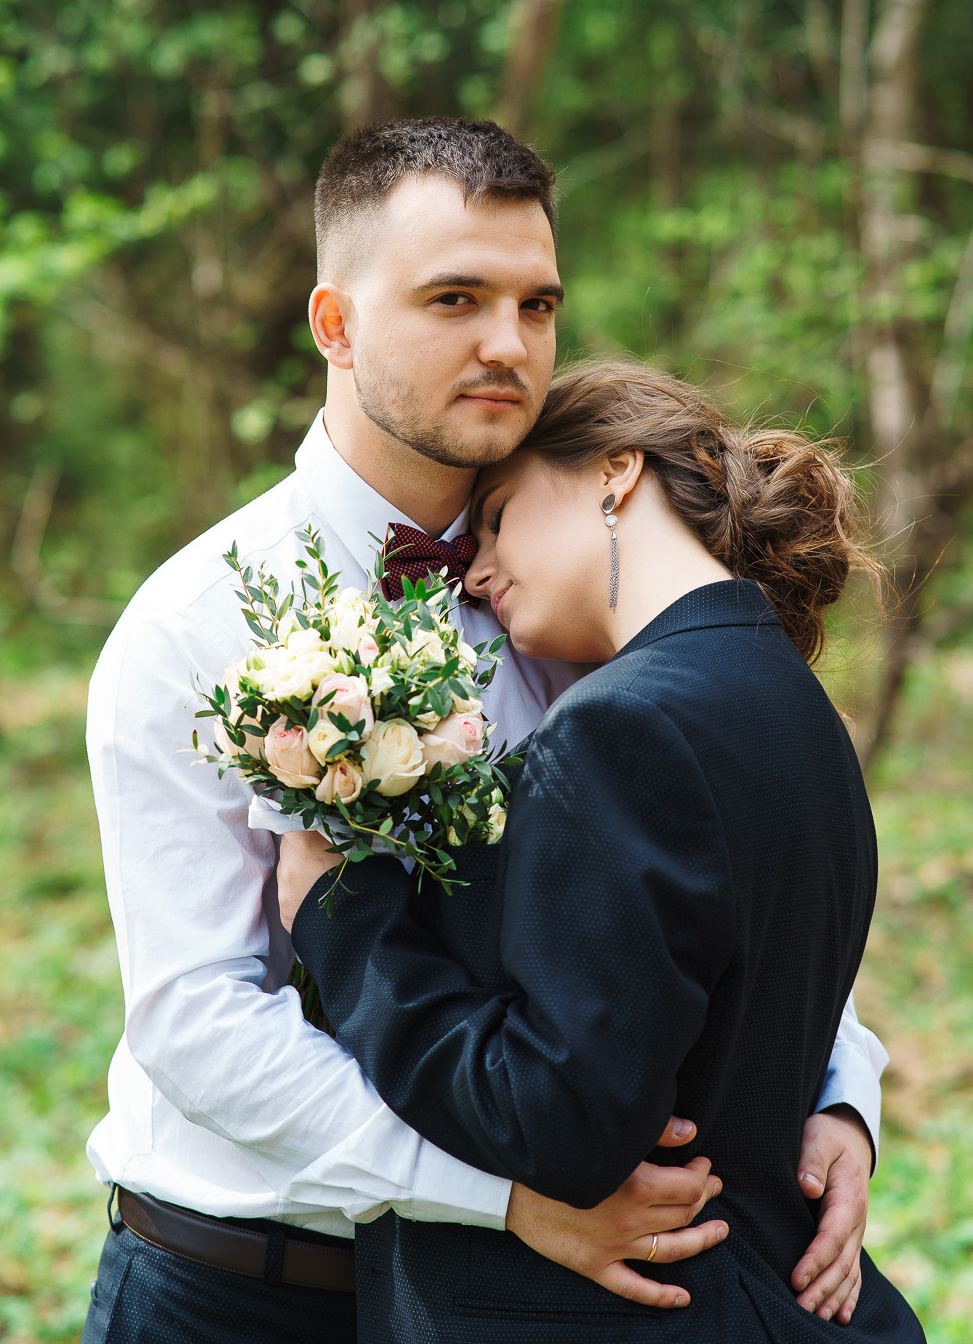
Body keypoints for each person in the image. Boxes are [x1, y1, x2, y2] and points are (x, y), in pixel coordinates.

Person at [81, 119, 885, 1343]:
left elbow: (704, 893)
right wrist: (500, 1196)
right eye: (454, 298)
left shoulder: (598, 603)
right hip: (243, 1288)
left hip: (527, 1305)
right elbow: (198, 1017)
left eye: (537, 304)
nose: (508, 345)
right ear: (336, 324)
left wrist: (836, 1093)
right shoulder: (193, 623)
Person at [279, 360, 925, 1343]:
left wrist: (344, 920)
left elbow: (561, 1123)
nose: (473, 568)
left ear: (614, 473)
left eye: (495, 517)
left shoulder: (620, 729)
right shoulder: (789, 700)